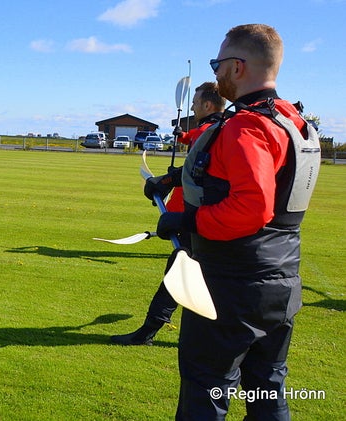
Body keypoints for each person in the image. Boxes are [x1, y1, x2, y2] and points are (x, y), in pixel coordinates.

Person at [156, 24, 320, 419]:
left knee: (206, 390)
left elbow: (251, 207)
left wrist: (187, 221)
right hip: (281, 284)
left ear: (237, 67)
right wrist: (175, 181)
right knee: (267, 390)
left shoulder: (247, 125)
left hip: (232, 287)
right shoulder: (292, 120)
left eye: (218, 63)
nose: (215, 72)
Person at [110, 82, 226, 346]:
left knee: (187, 274)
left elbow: (197, 170)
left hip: (204, 219)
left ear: (208, 105)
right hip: (207, 218)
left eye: (196, 102)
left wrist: (165, 181)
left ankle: (149, 333)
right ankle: (150, 331)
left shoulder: (214, 131)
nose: (193, 106)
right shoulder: (218, 129)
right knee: (183, 271)